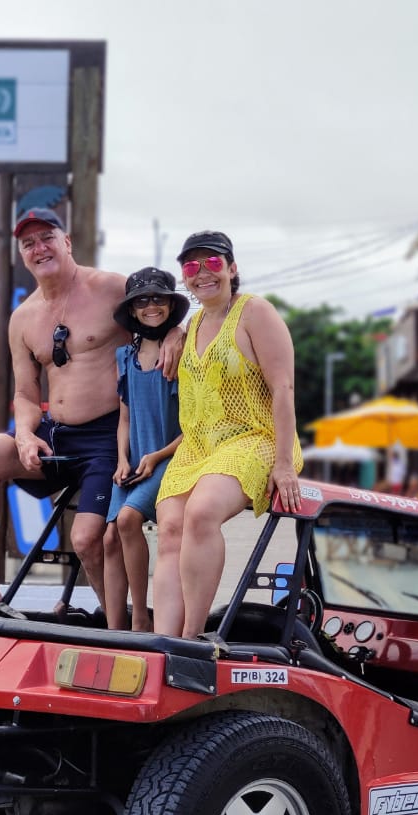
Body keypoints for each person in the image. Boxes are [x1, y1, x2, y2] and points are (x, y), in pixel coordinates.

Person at [0, 208, 182, 611]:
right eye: (28, 243)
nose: (39, 248)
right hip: (55, 434)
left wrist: (175, 332)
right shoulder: (23, 318)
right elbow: (28, 394)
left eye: (47, 237)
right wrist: (26, 434)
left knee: (86, 540)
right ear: (21, 255)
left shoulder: (110, 288)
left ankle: (120, 622)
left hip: (108, 437)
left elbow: (159, 310)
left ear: (67, 242)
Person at [152, 231, 303, 638]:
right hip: (199, 447)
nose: (202, 273)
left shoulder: (255, 312)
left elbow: (283, 387)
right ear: (184, 277)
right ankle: (162, 640)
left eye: (213, 263)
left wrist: (285, 464)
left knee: (201, 514)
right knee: (169, 528)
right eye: (191, 266)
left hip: (256, 437)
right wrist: (172, 332)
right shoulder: (194, 322)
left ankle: (192, 640)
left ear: (232, 269)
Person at [101, 268, 187, 631]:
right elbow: (124, 419)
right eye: (142, 300)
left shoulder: (182, 352)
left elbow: (194, 428)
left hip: (171, 456)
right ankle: (113, 629)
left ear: (170, 304)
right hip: (136, 461)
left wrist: (157, 456)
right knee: (108, 540)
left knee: (127, 520)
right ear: (132, 309)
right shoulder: (126, 356)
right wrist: (122, 459)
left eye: (158, 298)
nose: (151, 306)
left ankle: (140, 617)